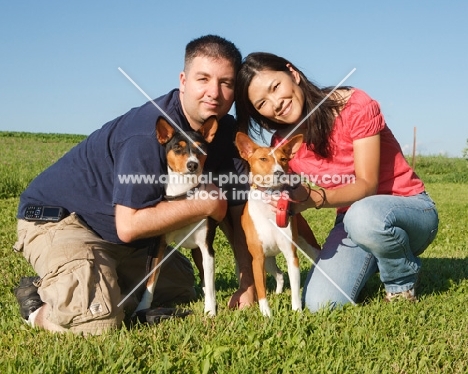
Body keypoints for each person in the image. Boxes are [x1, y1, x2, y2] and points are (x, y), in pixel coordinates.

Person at [13, 35, 255, 334]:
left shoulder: (224, 133)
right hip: (62, 221)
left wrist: (248, 282)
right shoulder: (146, 133)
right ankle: (38, 304)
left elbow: (237, 211)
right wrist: (204, 203)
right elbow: (129, 225)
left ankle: (95, 287)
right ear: (183, 80)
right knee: (98, 324)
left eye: (226, 83)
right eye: (203, 78)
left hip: (120, 239)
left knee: (180, 286)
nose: (214, 93)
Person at [234, 52, 439, 312]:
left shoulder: (354, 105)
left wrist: (316, 198)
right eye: (262, 103)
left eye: (275, 87)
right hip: (352, 221)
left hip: (408, 208)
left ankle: (400, 279)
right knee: (321, 303)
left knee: (363, 215)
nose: (275, 103)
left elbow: (367, 186)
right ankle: (375, 258)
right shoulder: (282, 145)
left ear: (292, 73)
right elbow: (293, 189)